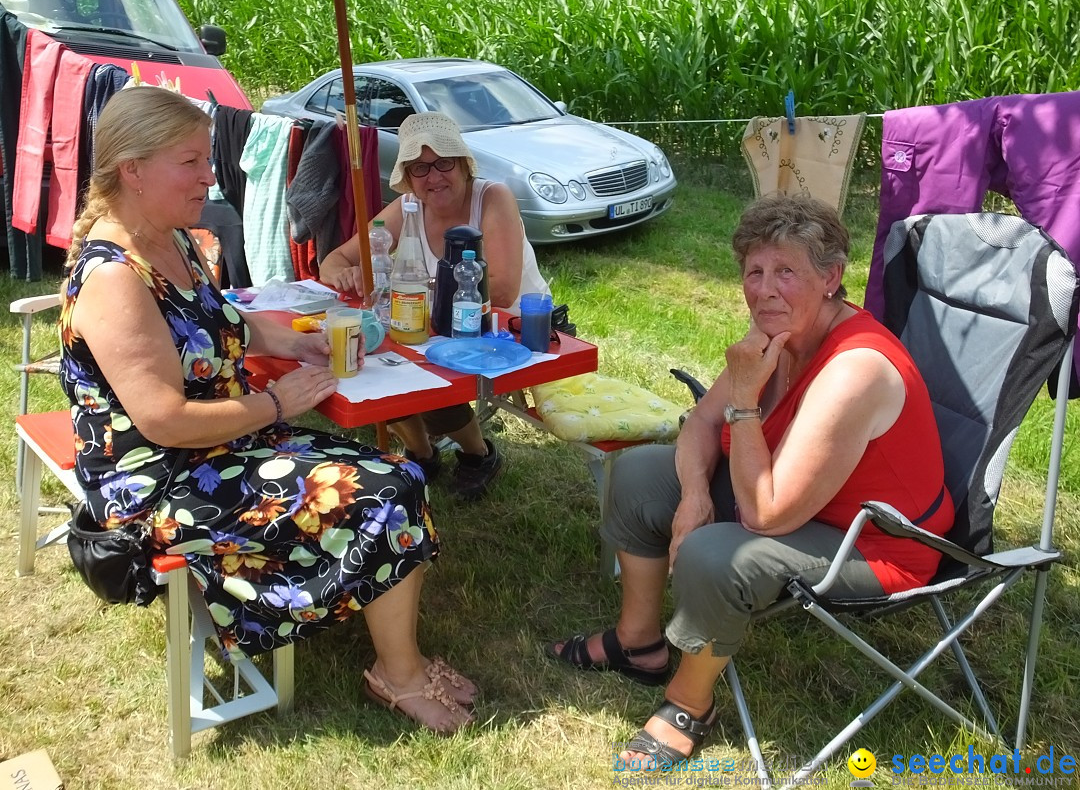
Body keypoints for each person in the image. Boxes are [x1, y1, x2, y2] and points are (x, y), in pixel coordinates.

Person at [58, 86, 476, 735]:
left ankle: (395, 655)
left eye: (206, 159)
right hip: (160, 487)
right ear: (132, 170)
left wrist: (291, 340)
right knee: (386, 491)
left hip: (221, 448)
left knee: (398, 474)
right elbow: (164, 419)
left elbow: (224, 321)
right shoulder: (115, 278)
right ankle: (398, 674)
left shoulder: (173, 242)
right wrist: (276, 400)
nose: (209, 175)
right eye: (190, 161)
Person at [548, 195, 954, 769]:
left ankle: (690, 704)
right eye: (754, 271)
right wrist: (692, 497)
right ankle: (638, 643)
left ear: (832, 277)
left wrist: (744, 398)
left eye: (786, 272)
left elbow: (764, 515)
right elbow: (700, 427)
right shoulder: (782, 330)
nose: (765, 289)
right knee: (640, 471)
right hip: (794, 501)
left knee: (717, 555)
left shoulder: (854, 369)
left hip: (874, 542)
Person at [320, 112, 550, 499]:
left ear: (463, 165)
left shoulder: (493, 198)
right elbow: (333, 260)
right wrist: (348, 272)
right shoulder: (409, 207)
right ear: (408, 178)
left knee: (426, 378)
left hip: (511, 333)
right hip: (436, 326)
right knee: (372, 368)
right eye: (420, 168)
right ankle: (422, 453)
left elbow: (505, 290)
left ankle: (479, 454)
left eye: (444, 162)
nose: (434, 177)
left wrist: (411, 293)